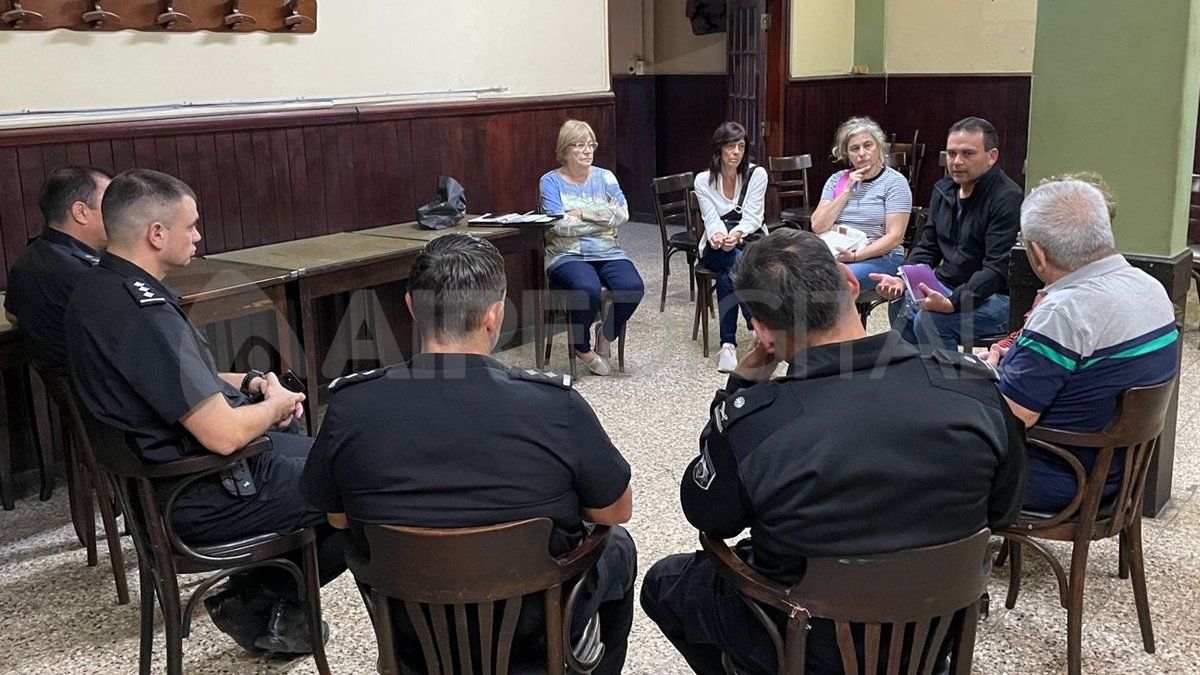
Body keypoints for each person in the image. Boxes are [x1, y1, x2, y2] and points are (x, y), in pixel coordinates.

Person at [641, 229, 1025, 675]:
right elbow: (1004, 511)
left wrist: (741, 389)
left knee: (665, 583)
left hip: (804, 645)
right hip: (934, 633)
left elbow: (710, 517)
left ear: (761, 330)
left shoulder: (757, 424)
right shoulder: (973, 389)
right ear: (850, 281)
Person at [300, 233, 637, 675]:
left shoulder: (349, 406)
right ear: (494, 316)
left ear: (409, 307)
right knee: (620, 548)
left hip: (413, 641)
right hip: (535, 643)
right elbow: (615, 509)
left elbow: (339, 520)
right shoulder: (555, 406)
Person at [64, 169, 344, 656]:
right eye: (191, 226)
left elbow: (174, 381)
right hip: (197, 494)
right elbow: (221, 435)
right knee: (359, 479)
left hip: (162, 483)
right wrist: (275, 404)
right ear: (156, 234)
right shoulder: (146, 315)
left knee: (327, 452)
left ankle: (260, 602)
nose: (198, 236)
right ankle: (264, 601)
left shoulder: (100, 289)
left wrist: (254, 384)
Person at [981, 179, 1179, 513]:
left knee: (922, 450)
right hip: (1119, 474)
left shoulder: (1065, 311)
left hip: (1061, 479)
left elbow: (1013, 417)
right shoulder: (1151, 287)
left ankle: (944, 560)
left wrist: (985, 375)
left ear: (1037, 253)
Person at [870, 117, 1023, 350]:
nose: (957, 161)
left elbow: (996, 269)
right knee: (900, 304)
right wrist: (903, 279)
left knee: (931, 321)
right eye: (951, 153)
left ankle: (945, 385)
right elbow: (927, 245)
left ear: (991, 156)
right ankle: (915, 380)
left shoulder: (1006, 198)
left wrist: (953, 303)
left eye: (968, 154)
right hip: (949, 284)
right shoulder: (944, 189)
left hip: (998, 298)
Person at [540, 119, 645, 376]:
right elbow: (557, 226)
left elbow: (622, 214)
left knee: (633, 287)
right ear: (565, 150)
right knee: (586, 288)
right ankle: (581, 347)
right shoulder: (550, 182)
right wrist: (600, 218)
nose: (588, 151)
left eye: (591, 144)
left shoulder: (605, 177)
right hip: (566, 254)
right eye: (579, 145)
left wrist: (581, 213)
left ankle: (606, 333)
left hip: (607, 249)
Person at [4, 166, 111, 374]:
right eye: (110, 205)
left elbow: (12, 314)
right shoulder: (86, 274)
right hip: (109, 394)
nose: (118, 214)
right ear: (80, 212)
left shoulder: (27, 260)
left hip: (74, 394)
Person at [693, 121, 769, 373]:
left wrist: (735, 235)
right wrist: (717, 236)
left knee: (730, 274)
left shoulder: (756, 174)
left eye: (741, 147)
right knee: (733, 262)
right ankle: (757, 322)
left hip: (747, 243)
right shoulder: (703, 180)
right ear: (719, 150)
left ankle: (727, 344)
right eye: (730, 147)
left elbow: (754, 217)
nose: (736, 152)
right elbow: (710, 218)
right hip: (716, 248)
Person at [809, 116, 911, 292]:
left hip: (881, 256)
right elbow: (818, 226)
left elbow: (894, 236)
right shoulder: (836, 180)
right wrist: (846, 191)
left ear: (879, 146)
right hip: (838, 252)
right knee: (791, 273)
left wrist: (855, 257)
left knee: (832, 282)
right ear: (847, 154)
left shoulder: (895, 182)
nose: (862, 153)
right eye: (855, 148)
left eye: (868, 145)